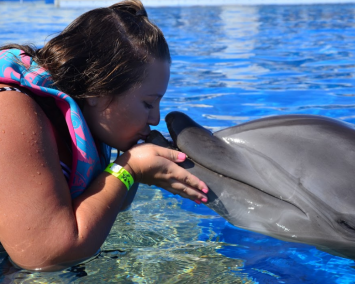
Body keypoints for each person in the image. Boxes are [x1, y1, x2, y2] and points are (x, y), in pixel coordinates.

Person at [0, 0, 208, 271]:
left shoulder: (85, 120)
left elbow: (107, 209)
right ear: (97, 92)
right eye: (148, 103)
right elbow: (45, 253)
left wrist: (136, 166)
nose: (156, 118)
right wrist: (130, 168)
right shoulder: (10, 109)